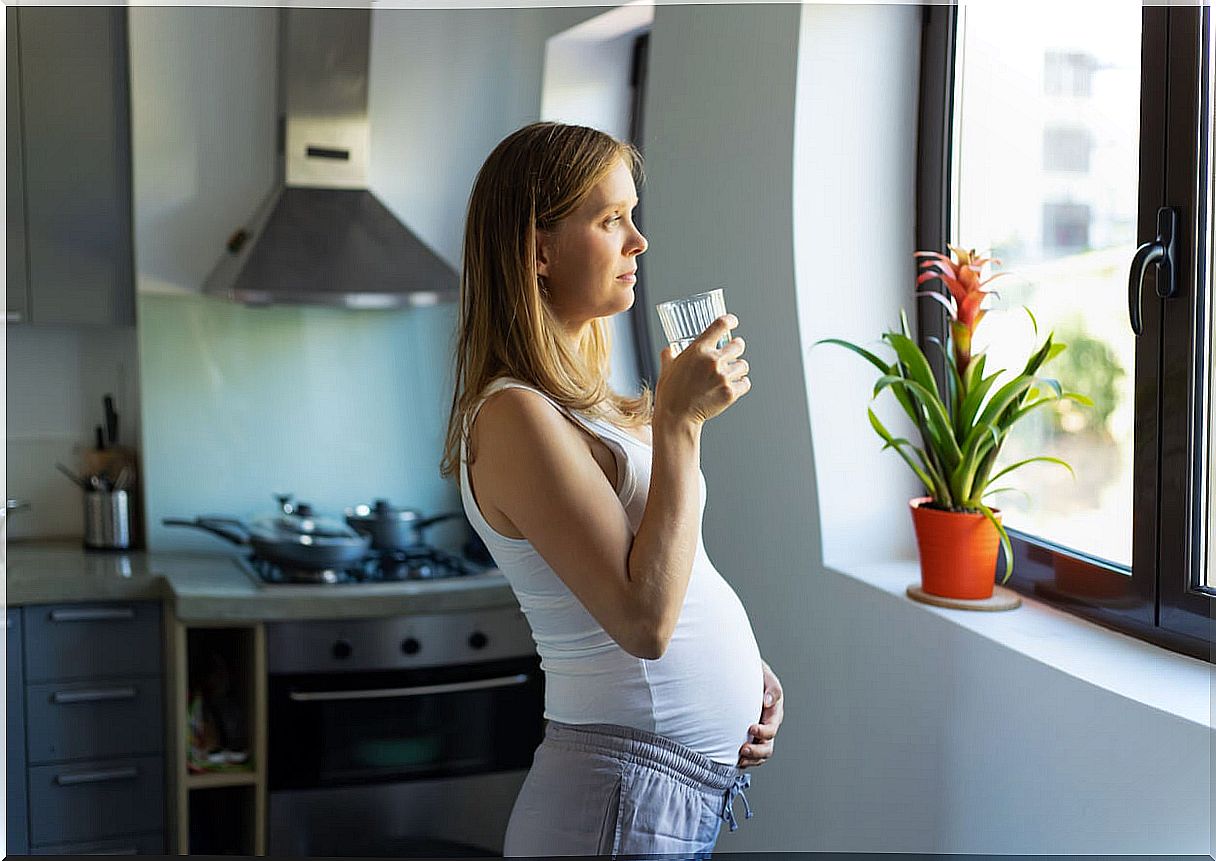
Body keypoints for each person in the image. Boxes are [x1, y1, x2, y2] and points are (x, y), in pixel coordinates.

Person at [440, 121, 784, 858]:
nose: (638, 241)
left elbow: (662, 567)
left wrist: (742, 671)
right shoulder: (512, 415)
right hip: (615, 803)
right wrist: (682, 424)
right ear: (537, 249)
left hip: (655, 792)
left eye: (633, 214)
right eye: (610, 219)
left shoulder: (582, 401)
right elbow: (642, 623)